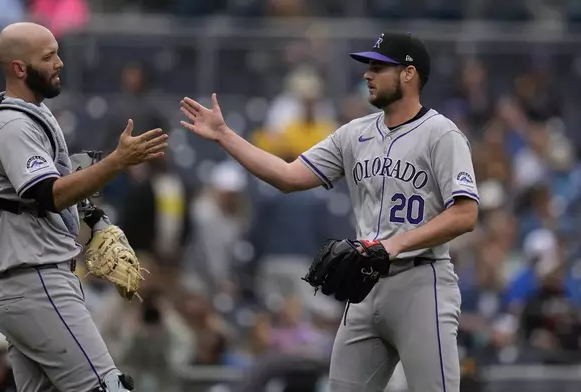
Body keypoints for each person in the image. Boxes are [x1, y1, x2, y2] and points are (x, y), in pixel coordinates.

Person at [180, 32, 479, 392]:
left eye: (378, 67)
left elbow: (465, 214)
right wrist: (225, 135)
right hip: (366, 282)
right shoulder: (354, 134)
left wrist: (397, 244)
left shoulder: (441, 134)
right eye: (368, 66)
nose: (367, 74)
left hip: (422, 280)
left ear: (408, 74)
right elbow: (288, 176)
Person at [0, 22, 169, 392]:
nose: (60, 62)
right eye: (48, 57)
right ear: (19, 68)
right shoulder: (11, 125)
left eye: (57, 52)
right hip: (37, 280)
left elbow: (54, 187)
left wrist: (95, 220)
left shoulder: (32, 113)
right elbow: (48, 193)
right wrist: (117, 162)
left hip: (25, 282)